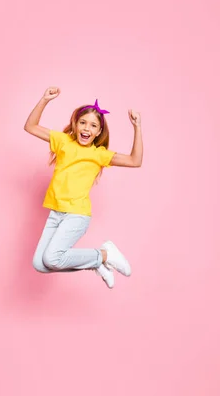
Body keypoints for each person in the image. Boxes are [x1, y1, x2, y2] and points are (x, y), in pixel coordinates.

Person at [24, 87, 143, 289]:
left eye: (93, 125)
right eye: (83, 122)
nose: (87, 128)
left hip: (76, 214)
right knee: (40, 264)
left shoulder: (99, 154)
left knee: (52, 258)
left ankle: (104, 254)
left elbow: (135, 160)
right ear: (75, 125)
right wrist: (45, 99)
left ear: (98, 132)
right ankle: (97, 262)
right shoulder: (63, 141)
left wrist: (137, 127)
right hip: (56, 214)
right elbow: (31, 126)